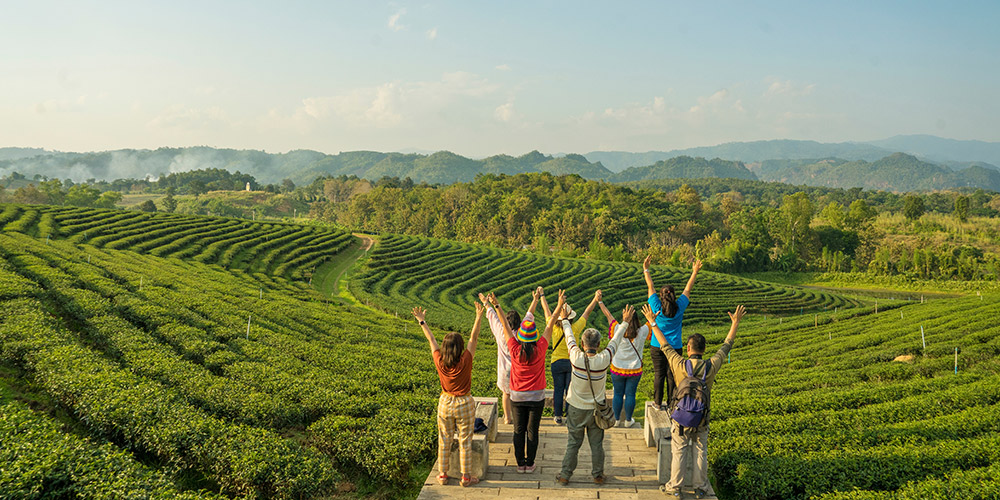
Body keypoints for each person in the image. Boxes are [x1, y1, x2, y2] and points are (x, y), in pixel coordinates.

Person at [641, 303, 746, 499]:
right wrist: (735, 323)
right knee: (700, 451)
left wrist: (652, 322)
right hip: (702, 417)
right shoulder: (711, 365)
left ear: (688, 348)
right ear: (704, 349)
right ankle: (700, 488)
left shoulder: (679, 363)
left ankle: (675, 487)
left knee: (679, 452)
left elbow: (664, 345)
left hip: (681, 419)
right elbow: (726, 346)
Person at [555, 304, 632, 485]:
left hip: (576, 408)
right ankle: (598, 475)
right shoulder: (604, 359)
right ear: (598, 345)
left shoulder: (575, 357)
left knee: (573, 443)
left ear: (582, 344)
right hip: (597, 409)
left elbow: (569, 336)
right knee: (596, 444)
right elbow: (616, 341)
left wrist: (565, 320)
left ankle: (565, 475)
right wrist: (625, 323)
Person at [413, 301, 486, 487]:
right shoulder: (466, 360)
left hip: (445, 402)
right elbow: (474, 338)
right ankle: (466, 477)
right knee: (465, 440)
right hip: (464, 402)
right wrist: (478, 317)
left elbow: (431, 340)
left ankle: (443, 475)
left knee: (444, 439)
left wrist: (422, 321)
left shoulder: (439, 360)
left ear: (445, 348)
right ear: (460, 347)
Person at [493, 290, 566, 473]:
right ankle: (530, 463)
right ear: (534, 337)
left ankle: (520, 464)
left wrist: (497, 305)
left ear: (520, 337)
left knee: (518, 430)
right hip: (536, 396)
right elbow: (550, 324)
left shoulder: (514, 348)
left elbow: (505, 326)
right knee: (533, 431)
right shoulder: (540, 348)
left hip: (517, 396)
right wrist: (559, 305)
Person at [643, 256, 702, 409]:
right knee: (673, 375)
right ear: (674, 295)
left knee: (659, 374)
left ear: (661, 296)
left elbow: (650, 286)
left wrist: (646, 269)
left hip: (657, 345)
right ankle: (671, 403)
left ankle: (657, 403)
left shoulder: (656, 306)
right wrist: (695, 272)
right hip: (675, 346)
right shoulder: (680, 306)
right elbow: (688, 289)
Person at [480, 287, 543, 425]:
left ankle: (507, 418)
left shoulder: (501, 331)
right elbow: (530, 314)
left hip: (504, 370)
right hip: (518, 369)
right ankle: (519, 417)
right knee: (517, 395)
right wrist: (535, 299)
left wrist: (486, 303)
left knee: (506, 394)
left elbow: (493, 317)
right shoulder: (522, 333)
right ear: (519, 322)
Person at [547, 289, 601, 424]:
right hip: (571, 362)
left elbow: (547, 311)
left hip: (556, 362)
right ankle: (569, 416)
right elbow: (587, 313)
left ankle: (558, 416)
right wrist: (595, 299)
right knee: (569, 391)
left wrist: (542, 296)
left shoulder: (553, 328)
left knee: (558, 390)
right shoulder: (575, 328)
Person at [599, 300, 651, 428]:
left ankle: (616, 420)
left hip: (617, 368)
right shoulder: (643, 331)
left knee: (617, 394)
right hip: (635, 369)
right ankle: (628, 420)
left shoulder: (618, 329)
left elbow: (608, 315)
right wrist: (653, 314)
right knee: (630, 395)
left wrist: (600, 301)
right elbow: (652, 322)